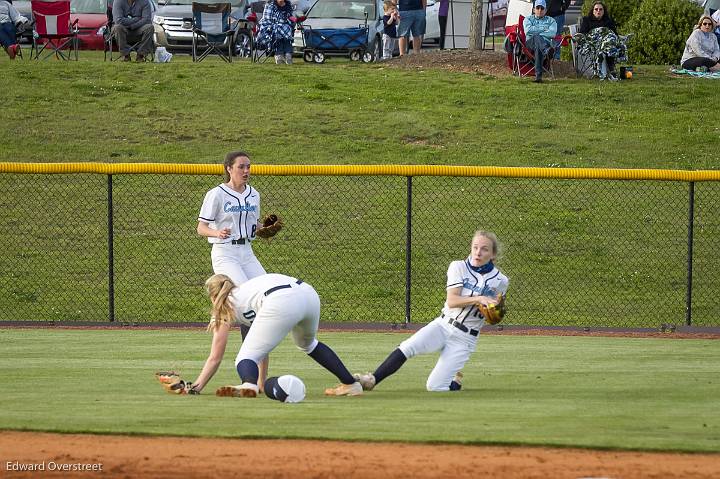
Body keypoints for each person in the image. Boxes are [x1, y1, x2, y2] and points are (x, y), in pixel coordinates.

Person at [354, 230, 509, 393]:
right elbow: (452, 301)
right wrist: (479, 299)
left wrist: (495, 312)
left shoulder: (501, 281)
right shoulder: (458, 267)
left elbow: (494, 312)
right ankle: (372, 380)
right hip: (443, 325)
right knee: (408, 347)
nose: (478, 252)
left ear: (493, 254)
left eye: (484, 249)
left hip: (465, 338)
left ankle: (454, 381)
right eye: (475, 247)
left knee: (435, 387)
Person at [189, 273, 363, 398]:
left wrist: (195, 387)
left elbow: (215, 357)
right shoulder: (246, 289)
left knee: (245, 356)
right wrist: (262, 383)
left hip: (280, 300)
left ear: (213, 296)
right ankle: (351, 384)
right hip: (308, 294)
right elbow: (263, 347)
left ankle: (248, 383)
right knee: (308, 344)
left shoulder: (225, 304)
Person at [197, 151, 269, 288]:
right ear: (229, 169)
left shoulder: (254, 194)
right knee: (242, 291)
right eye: (241, 167)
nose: (246, 171)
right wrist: (217, 233)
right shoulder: (217, 194)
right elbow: (201, 228)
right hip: (225, 252)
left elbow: (254, 223)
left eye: (248, 167)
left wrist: (266, 228)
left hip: (247, 252)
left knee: (264, 289)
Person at [576, 1, 627, 80]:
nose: (598, 11)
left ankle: (605, 68)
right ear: (592, 11)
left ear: (604, 11)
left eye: (600, 9)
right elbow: (583, 33)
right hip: (594, 43)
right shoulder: (587, 20)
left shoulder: (608, 21)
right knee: (609, 41)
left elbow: (615, 34)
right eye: (596, 9)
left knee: (610, 37)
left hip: (608, 42)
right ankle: (611, 68)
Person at [523, 0, 557, 83]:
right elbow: (528, 31)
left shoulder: (551, 20)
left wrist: (536, 30)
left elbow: (552, 34)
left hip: (545, 44)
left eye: (542, 8)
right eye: (537, 8)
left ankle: (538, 77)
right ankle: (546, 51)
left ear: (545, 10)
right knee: (537, 38)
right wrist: (544, 29)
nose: (539, 10)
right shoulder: (528, 19)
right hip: (530, 44)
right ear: (534, 9)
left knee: (538, 45)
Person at [257, 0, 295, 64]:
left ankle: (287, 55)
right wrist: (277, 25)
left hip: (284, 27)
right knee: (279, 31)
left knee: (286, 29)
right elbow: (267, 19)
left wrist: (293, 20)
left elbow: (290, 18)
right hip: (268, 27)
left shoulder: (288, 5)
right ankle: (280, 54)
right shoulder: (269, 5)